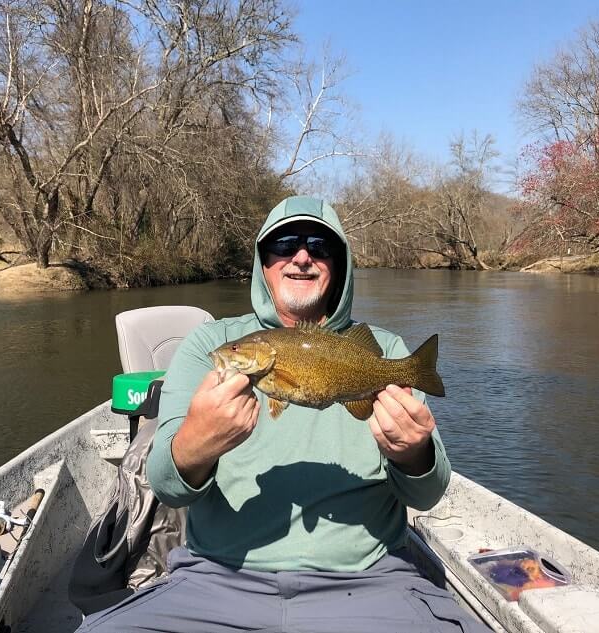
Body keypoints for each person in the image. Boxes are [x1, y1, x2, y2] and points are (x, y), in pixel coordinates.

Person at [76, 196, 488, 632]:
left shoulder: (385, 351)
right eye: (284, 244)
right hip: (217, 579)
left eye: (321, 246)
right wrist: (197, 443)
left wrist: (414, 453)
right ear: (263, 261)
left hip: (370, 581)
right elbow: (166, 486)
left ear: (341, 264)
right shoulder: (209, 345)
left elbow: (428, 494)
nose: (302, 257)